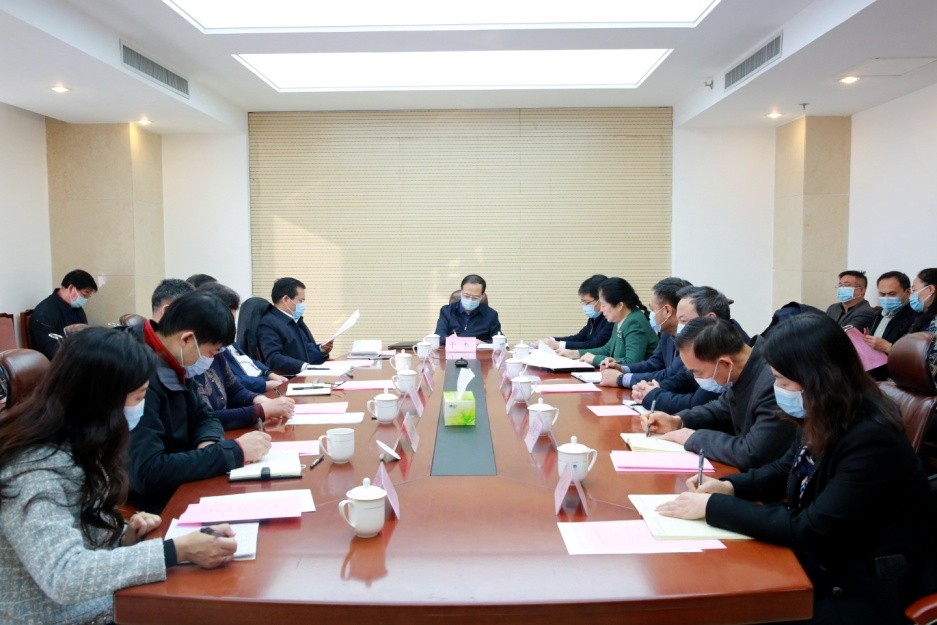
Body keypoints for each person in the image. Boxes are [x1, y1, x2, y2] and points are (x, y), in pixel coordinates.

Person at [657, 314, 937, 625]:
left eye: (783, 381)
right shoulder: (827, 412)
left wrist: (713, 507)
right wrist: (730, 487)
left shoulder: (871, 438)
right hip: (827, 562)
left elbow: (809, 529)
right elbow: (783, 470)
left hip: (867, 586)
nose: (778, 389)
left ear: (819, 378)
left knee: (728, 610)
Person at [0, 328, 237, 625]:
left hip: (102, 604)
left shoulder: (80, 441)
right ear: (102, 400)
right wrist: (175, 550)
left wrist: (124, 536)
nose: (141, 407)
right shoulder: (33, 469)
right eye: (139, 397)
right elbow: (64, 574)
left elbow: (84, 532)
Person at [127, 291, 272, 512]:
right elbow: (147, 473)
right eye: (211, 353)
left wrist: (209, 443)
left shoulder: (174, 363)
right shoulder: (139, 376)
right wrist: (234, 452)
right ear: (187, 339)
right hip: (157, 505)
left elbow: (206, 415)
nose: (211, 360)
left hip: (185, 482)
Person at [643, 316, 797, 470]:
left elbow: (751, 452)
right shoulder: (746, 366)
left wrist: (693, 437)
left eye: (696, 372)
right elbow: (721, 407)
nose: (695, 378)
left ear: (725, 364)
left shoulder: (775, 383)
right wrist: (677, 421)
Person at [194, 282, 293, 429]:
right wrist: (261, 410)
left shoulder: (218, 351)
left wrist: (260, 400)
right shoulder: (188, 364)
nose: (228, 329)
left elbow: (235, 389)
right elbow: (205, 418)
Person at [629, 286, 731, 413]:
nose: (679, 327)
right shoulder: (708, 342)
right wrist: (655, 387)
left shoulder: (725, 347)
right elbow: (685, 377)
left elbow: (697, 403)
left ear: (710, 319)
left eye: (683, 321)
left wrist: (653, 396)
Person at [600, 276, 691, 387]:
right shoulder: (666, 333)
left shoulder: (692, 340)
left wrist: (621, 379)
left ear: (667, 311)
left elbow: (670, 375)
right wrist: (622, 368)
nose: (650, 315)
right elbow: (654, 363)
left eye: (653, 310)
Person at [556, 277, 657, 367]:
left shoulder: (634, 322)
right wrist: (575, 353)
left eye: (603, 305)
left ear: (620, 306)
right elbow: (607, 349)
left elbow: (631, 363)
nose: (601, 310)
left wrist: (595, 359)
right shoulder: (620, 319)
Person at [257, 277, 334, 375]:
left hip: (308, 373)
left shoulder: (294, 319)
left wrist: (321, 349)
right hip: (292, 378)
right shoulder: (269, 323)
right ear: (286, 299)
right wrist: (303, 366)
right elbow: (273, 358)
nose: (303, 305)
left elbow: (304, 349)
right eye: (300, 301)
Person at [28, 269, 98, 359]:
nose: (86, 298)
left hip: (77, 358)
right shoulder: (43, 313)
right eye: (85, 293)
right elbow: (51, 352)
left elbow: (85, 336)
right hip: (58, 363)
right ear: (71, 288)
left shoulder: (77, 308)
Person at [862, 271, 916, 380]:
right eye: (882, 294)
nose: (886, 298)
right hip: (873, 374)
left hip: (895, 377)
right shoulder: (878, 315)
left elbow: (915, 355)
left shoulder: (915, 317)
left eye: (892, 294)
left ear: (908, 292)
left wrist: (888, 347)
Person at [541, 274, 613, 351]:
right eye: (583, 302)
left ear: (601, 299)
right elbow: (579, 338)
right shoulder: (594, 318)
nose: (585, 306)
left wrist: (559, 345)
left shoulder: (610, 319)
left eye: (587, 303)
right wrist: (551, 340)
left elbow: (594, 345)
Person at [434, 274, 502, 343]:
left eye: (475, 298)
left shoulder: (491, 315)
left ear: (481, 296)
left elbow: (500, 341)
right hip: (453, 348)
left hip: (479, 349)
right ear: (461, 291)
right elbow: (439, 336)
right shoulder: (446, 311)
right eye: (466, 296)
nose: (470, 300)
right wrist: (449, 339)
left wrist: (483, 343)